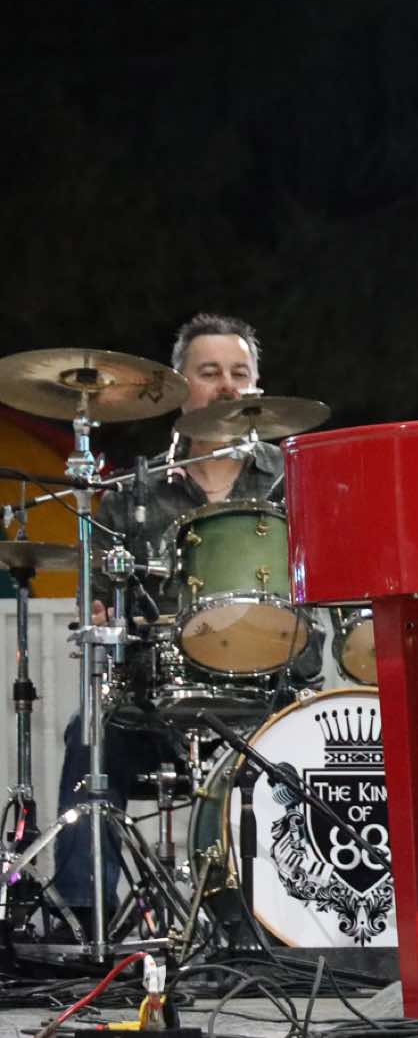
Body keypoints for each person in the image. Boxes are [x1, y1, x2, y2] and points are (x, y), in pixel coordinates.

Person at [52, 313, 292, 923]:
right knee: (90, 736)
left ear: (258, 387)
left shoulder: (293, 482)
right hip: (161, 702)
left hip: (269, 695)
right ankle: (87, 916)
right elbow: (98, 597)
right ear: (181, 386)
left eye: (240, 373)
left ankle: (291, 919)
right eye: (210, 372)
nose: (228, 386)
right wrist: (101, 611)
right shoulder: (136, 492)